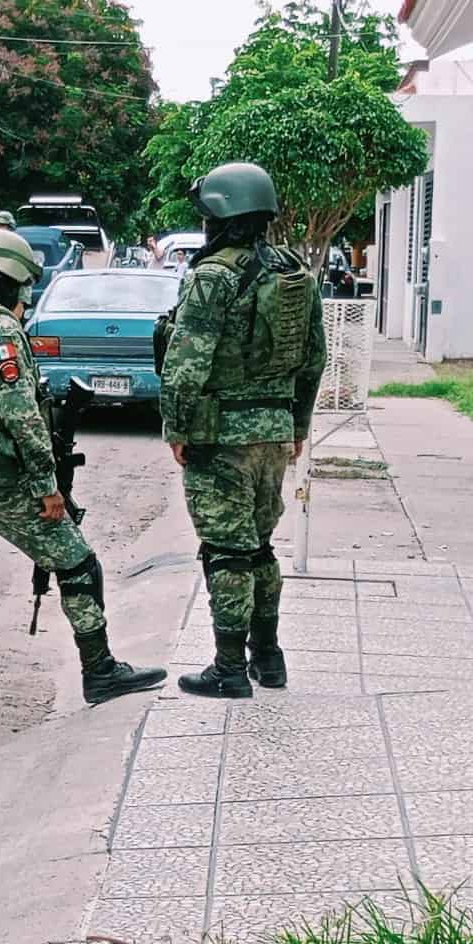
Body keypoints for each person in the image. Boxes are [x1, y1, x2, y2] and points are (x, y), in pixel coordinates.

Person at [0, 227, 167, 714]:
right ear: (6, 276)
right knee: (78, 564)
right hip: (1, 476)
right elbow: (21, 414)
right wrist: (47, 486)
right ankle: (100, 671)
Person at [158, 162, 327, 699]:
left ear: (220, 215)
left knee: (226, 550)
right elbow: (314, 358)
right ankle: (268, 659)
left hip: (221, 433)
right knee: (259, 547)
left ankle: (228, 668)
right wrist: (297, 425)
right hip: (274, 430)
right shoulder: (294, 272)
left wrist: (176, 426)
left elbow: (186, 361)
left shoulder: (213, 276)